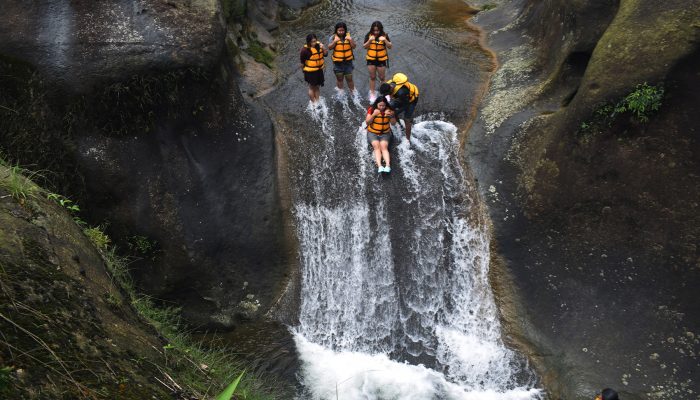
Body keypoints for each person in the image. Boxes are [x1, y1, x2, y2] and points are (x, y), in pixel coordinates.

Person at [380, 72, 419, 142]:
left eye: (388, 94)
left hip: (411, 99)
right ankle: (400, 126)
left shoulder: (401, 92)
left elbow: (406, 105)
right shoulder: (387, 85)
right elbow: (384, 98)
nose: (387, 95)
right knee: (392, 108)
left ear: (391, 90)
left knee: (406, 119)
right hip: (402, 98)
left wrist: (394, 112)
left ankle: (408, 140)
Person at [363, 21, 392, 101]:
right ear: (372, 29)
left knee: (382, 77)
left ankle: (385, 93)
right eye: (374, 30)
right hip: (371, 59)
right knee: (372, 77)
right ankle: (372, 93)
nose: (376, 32)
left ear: (380, 30)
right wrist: (369, 40)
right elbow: (364, 46)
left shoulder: (385, 35)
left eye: (377, 30)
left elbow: (390, 46)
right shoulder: (368, 35)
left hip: (381, 60)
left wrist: (385, 40)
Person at [365, 96, 395, 173]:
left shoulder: (389, 111)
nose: (382, 107)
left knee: (384, 147)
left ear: (386, 105)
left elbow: (393, 123)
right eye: (380, 105)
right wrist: (374, 115)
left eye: (383, 105)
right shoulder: (372, 110)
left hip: (385, 133)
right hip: (373, 133)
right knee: (376, 146)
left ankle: (388, 166)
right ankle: (380, 166)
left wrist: (392, 116)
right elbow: (367, 122)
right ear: (377, 104)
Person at [328, 22, 356, 92]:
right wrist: (334, 41)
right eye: (339, 30)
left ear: (345, 30)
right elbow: (330, 47)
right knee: (340, 79)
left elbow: (354, 46)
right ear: (336, 31)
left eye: (342, 30)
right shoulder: (333, 37)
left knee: (349, 78)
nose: (341, 32)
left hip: (348, 62)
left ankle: (353, 92)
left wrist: (350, 40)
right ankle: (340, 92)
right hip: (337, 63)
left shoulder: (348, 37)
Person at [300, 33, 327, 103]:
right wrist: (304, 71)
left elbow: (326, 54)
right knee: (312, 87)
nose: (314, 43)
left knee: (317, 86)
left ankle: (317, 100)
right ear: (308, 42)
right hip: (310, 72)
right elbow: (302, 63)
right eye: (312, 42)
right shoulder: (304, 50)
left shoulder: (319, 46)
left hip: (319, 70)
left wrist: (323, 47)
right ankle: (313, 102)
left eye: (315, 41)